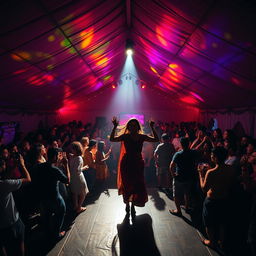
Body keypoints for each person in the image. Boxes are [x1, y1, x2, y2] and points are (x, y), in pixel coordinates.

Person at [110, 117, 159, 217]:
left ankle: (132, 205)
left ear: (138, 127)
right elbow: (112, 139)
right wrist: (114, 127)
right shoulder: (125, 136)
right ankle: (128, 204)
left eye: (134, 125)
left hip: (137, 163)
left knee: (137, 185)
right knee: (127, 184)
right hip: (127, 162)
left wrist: (152, 127)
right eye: (131, 125)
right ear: (128, 127)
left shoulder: (141, 136)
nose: (132, 127)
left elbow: (156, 139)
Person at [198, 147, 236, 249]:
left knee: (209, 222)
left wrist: (201, 174)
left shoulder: (210, 172)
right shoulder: (231, 169)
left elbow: (204, 188)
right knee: (222, 222)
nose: (210, 156)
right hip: (224, 199)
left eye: (212, 155)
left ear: (215, 157)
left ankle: (211, 242)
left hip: (212, 200)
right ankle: (222, 242)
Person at [33, 147, 70, 241]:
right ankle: (56, 235)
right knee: (60, 213)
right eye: (58, 156)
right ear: (54, 157)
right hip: (55, 198)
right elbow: (67, 180)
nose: (58, 157)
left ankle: (47, 234)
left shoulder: (39, 166)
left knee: (46, 217)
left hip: (43, 198)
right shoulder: (55, 170)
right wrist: (66, 165)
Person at [0, 156, 31, 256]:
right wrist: (22, 165)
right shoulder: (4, 185)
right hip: (12, 223)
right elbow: (28, 179)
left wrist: (14, 167)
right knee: (19, 247)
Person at [169, 137, 199, 216]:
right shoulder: (193, 152)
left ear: (181, 144)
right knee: (187, 193)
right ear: (189, 144)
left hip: (179, 177)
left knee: (176, 194)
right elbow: (196, 149)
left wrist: (173, 175)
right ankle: (187, 207)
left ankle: (178, 211)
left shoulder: (178, 154)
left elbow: (171, 166)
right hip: (189, 177)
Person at [69, 141, 89, 213]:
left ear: (76, 149)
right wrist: (84, 168)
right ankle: (79, 208)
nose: (71, 150)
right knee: (83, 193)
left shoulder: (73, 157)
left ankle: (75, 206)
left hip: (72, 177)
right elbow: (77, 170)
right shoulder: (78, 158)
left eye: (72, 149)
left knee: (75, 193)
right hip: (78, 177)